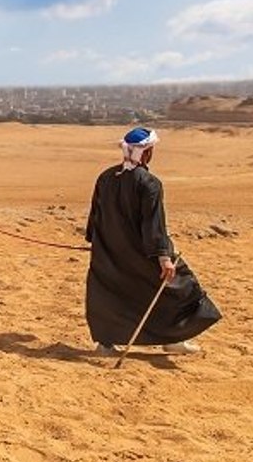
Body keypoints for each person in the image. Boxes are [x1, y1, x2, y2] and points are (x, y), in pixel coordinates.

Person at [84, 127, 221, 354]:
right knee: (182, 287)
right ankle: (174, 337)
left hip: (110, 253)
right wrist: (164, 258)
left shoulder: (106, 177)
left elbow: (96, 215)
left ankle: (108, 345)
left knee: (111, 293)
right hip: (142, 254)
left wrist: (95, 242)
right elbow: (153, 224)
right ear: (146, 153)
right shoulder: (149, 183)